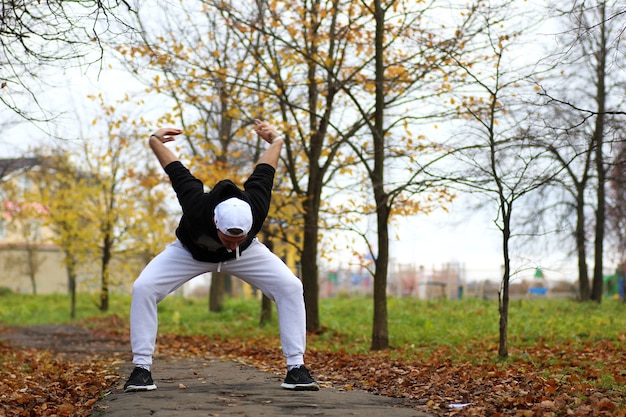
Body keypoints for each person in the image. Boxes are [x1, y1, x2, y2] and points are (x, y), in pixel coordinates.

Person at [123, 119, 319, 392]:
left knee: (291, 286)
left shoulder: (257, 203)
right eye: (228, 238)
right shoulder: (197, 204)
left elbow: (267, 166)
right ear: (216, 223)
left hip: (248, 255)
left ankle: (296, 368)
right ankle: (141, 369)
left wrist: (277, 141)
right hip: (189, 253)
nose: (230, 244)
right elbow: (174, 168)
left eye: (238, 237)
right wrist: (154, 140)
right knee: (143, 288)